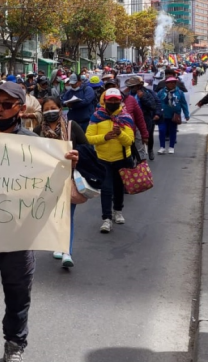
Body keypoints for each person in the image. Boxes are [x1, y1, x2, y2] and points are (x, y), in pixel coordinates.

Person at [0, 82, 78, 362]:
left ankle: (15, 346)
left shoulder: (35, 145)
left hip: (19, 238)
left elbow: (51, 190)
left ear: (21, 108)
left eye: (7, 104)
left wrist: (68, 166)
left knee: (17, 297)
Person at [33, 96, 88, 268]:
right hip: (47, 180)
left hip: (68, 178)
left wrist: (76, 156)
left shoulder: (72, 127)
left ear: (60, 108)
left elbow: (87, 149)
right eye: (46, 109)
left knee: (67, 216)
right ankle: (57, 244)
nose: (50, 112)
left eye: (53, 108)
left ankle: (66, 251)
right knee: (52, 215)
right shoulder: (37, 131)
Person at [87, 88, 134, 233]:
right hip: (103, 159)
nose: (113, 102)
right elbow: (88, 138)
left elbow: (129, 141)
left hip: (121, 158)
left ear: (120, 100)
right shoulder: (96, 117)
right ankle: (106, 219)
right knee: (106, 189)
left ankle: (118, 211)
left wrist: (119, 134)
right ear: (105, 100)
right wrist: (104, 137)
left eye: (116, 100)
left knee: (119, 188)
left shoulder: (126, 118)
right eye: (110, 100)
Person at [126, 77, 161, 160]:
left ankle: (150, 150)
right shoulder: (127, 95)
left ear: (138, 86)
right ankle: (137, 155)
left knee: (148, 135)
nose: (132, 88)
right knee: (134, 136)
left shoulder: (147, 93)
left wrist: (142, 98)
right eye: (131, 86)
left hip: (146, 117)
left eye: (133, 86)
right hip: (133, 118)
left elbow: (153, 105)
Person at [157, 76, 190, 154]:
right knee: (162, 130)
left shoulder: (180, 92)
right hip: (162, 115)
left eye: (174, 82)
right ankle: (162, 147)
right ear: (166, 84)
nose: (172, 84)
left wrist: (186, 114)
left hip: (174, 116)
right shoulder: (161, 92)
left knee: (173, 131)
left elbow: (184, 104)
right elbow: (156, 102)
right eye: (170, 82)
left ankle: (171, 147)